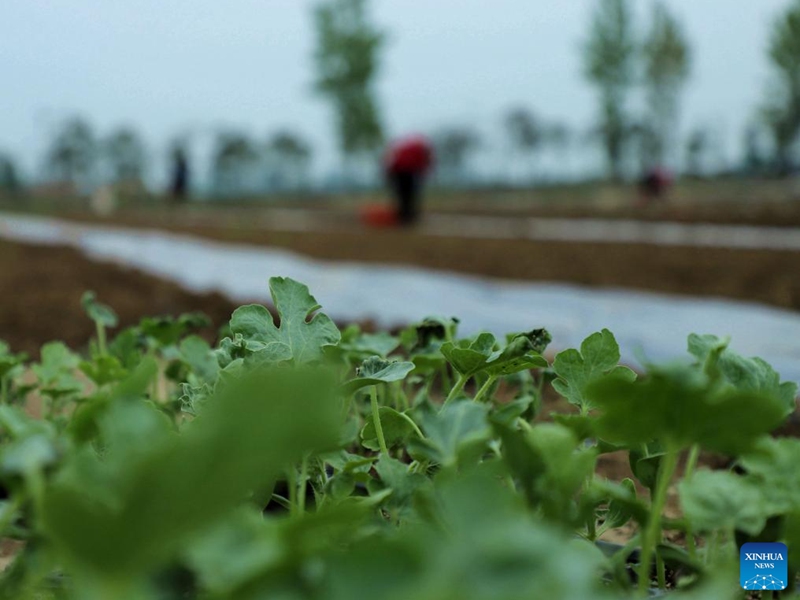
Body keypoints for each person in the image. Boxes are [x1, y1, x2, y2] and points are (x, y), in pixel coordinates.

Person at [384, 135, 433, 225]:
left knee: (404, 195)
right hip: (403, 172)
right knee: (408, 195)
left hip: (399, 172)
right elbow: (423, 165)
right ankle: (406, 216)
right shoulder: (420, 150)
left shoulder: (411, 148)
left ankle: (404, 215)